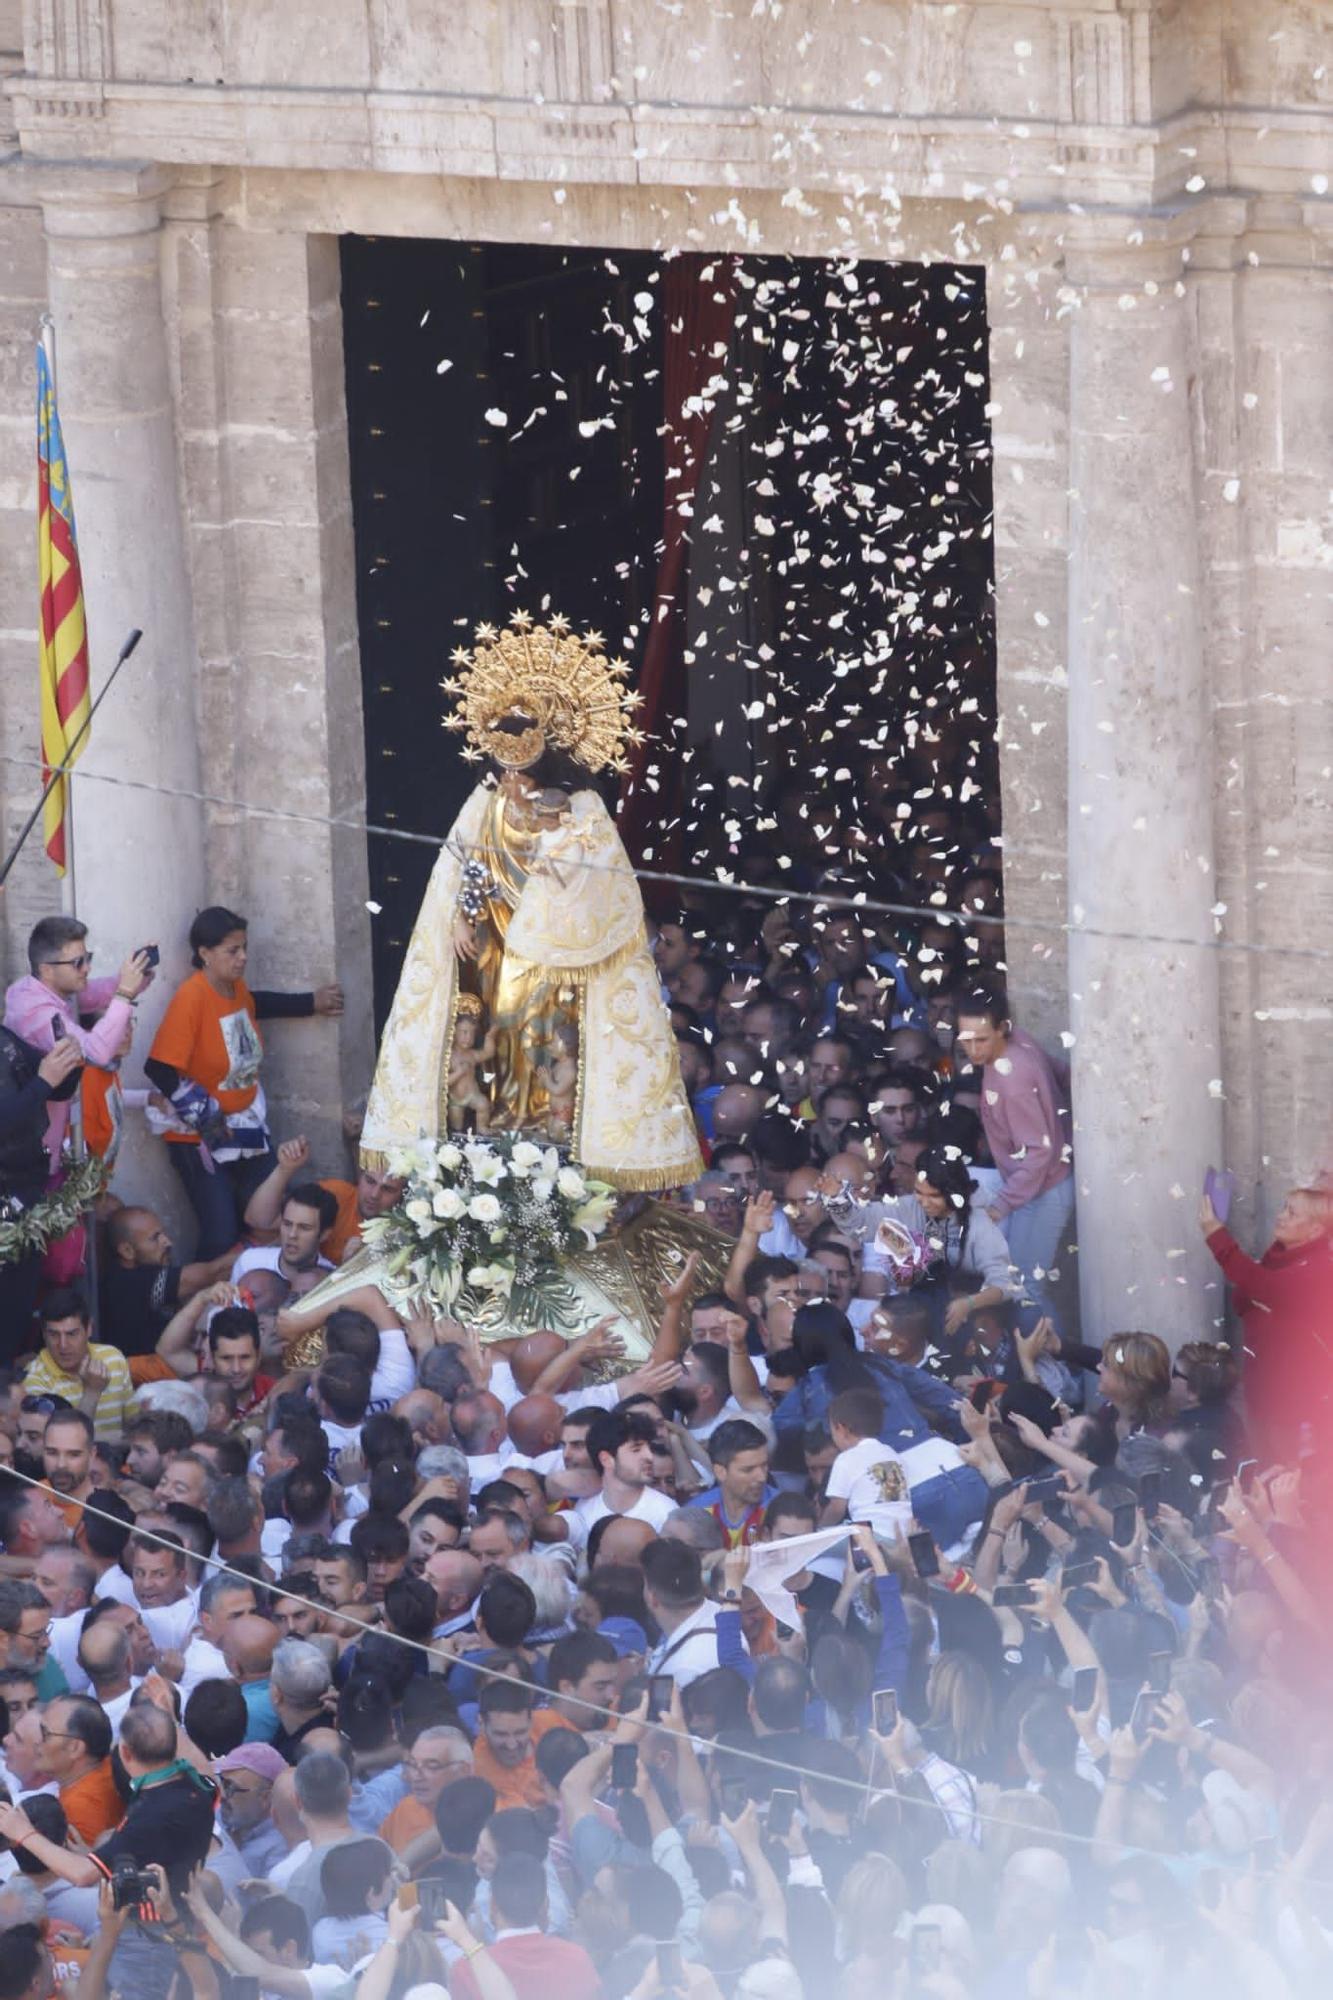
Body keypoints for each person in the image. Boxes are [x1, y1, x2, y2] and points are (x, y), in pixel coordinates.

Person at [360, 613, 701, 1187]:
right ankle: (503, 1119)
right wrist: (462, 920)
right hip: (494, 941)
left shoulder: (580, 809)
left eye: (522, 769)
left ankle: (546, 1121)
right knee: (500, 1026)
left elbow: (601, 880)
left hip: (558, 949)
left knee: (542, 1033)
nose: (512, 781)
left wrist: (558, 865)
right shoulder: (484, 805)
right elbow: (463, 867)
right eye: (504, 769)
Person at [145, 903, 343, 1257]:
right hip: (199, 1138)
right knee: (221, 1233)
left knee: (267, 1217)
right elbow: (159, 1068)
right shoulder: (191, 997)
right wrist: (211, 1121)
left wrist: (310, 1002)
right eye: (233, 951)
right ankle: (207, 1305)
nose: (243, 958)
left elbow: (255, 1004)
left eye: (244, 949)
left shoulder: (235, 987)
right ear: (205, 954)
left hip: (245, 1125)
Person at [954, 984, 1074, 1320]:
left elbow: (1038, 1153)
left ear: (1001, 1028)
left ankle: (1053, 1368)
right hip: (1041, 1183)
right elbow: (1063, 1075)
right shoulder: (1020, 1040)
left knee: (1023, 1288)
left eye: (981, 1039)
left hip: (1044, 1188)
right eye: (966, 1038)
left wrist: (1000, 1207)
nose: (973, 1049)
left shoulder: (1010, 1080)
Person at [3, 916, 155, 1172]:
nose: (86, 968)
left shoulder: (47, 990)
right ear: (47, 969)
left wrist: (137, 977)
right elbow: (97, 1052)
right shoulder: (35, 1012)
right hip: (33, 1149)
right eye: (77, 963)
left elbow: (96, 992)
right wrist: (125, 993)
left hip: (55, 1137)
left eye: (88, 958)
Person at [1201, 1182, 1333, 1460]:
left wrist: (1216, 1235)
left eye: (1292, 1213)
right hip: (1264, 1392)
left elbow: (1263, 1287)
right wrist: (1262, 1298)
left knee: (1288, 1476)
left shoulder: (1321, 1267)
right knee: (1265, 1470)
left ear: (1316, 1229)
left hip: (1296, 1405)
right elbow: (1242, 1299)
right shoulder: (1281, 1256)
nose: (1281, 1215)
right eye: (1284, 1207)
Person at [0, 1027, 83, 1356]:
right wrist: (44, 1082)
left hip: (24, 1190)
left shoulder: (6, 1037)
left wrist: (69, 1061)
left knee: (17, 1304)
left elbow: (56, 1084)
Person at [98, 1205, 234, 1358]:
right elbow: (212, 1273)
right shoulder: (129, 1283)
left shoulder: (130, 1273)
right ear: (126, 1251)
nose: (167, 1242)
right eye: (155, 1238)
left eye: (163, 1234)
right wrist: (257, 1253)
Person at [244, 1135, 406, 1263]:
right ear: (360, 1177)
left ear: (402, 1195)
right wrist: (285, 1169)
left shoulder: (404, 1233)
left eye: (388, 1189)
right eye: (370, 1181)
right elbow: (259, 1220)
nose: (374, 1194)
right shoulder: (338, 1194)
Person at [21, 1288, 133, 1441]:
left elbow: (134, 1430)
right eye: (54, 1335)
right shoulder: (33, 1379)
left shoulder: (113, 1358)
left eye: (72, 1334)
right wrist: (92, 1392)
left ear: (89, 1329)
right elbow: (64, 1442)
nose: (63, 1345)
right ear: (43, 1334)